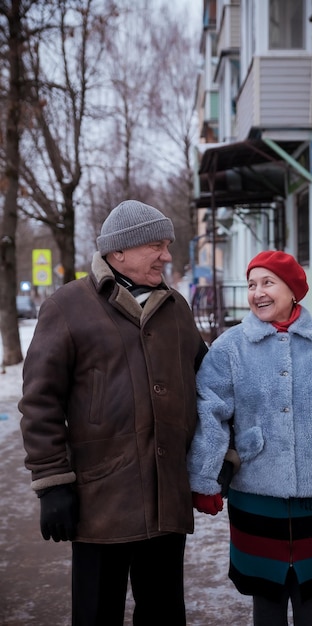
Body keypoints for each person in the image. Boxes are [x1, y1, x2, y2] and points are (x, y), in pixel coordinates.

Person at [19, 199, 208, 626]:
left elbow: (207, 384)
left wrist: (215, 456)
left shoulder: (176, 307)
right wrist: (52, 484)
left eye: (167, 246)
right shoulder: (68, 306)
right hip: (100, 499)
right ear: (118, 252)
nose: (166, 255)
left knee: (163, 614)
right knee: (96, 613)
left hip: (166, 500)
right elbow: (39, 401)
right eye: (156, 246)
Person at [187, 250, 312, 626]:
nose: (257, 293)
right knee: (266, 596)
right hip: (255, 497)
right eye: (251, 285)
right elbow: (208, 414)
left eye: (267, 283)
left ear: (292, 290)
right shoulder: (230, 348)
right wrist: (204, 477)